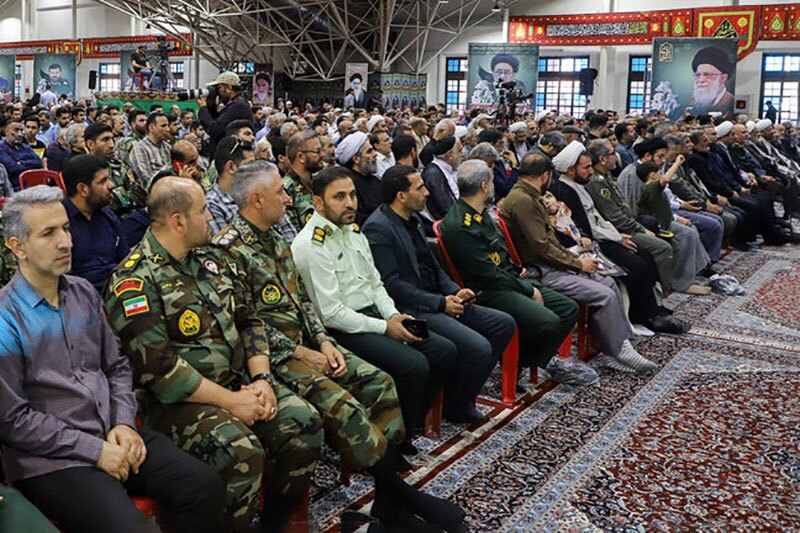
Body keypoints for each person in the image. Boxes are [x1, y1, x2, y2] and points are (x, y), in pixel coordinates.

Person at [213, 161, 467, 531]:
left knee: (380, 384)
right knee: (345, 408)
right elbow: (244, 323)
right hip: (273, 356)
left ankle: (388, 500)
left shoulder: (274, 239)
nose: (288, 198)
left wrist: (322, 340)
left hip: (309, 343)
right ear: (256, 199)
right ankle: (402, 496)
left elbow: (302, 303)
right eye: (280, 193)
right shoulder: (228, 251)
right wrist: (302, 351)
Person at [0, 185, 225, 533]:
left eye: (66, 228)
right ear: (18, 247)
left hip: (112, 431)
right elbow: (14, 420)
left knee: (203, 486)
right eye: (48, 233)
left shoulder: (82, 293)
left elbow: (116, 365)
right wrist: (95, 450)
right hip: (53, 459)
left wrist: (122, 423)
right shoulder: (6, 318)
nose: (66, 242)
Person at [103, 176, 323, 532]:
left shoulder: (211, 258)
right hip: (176, 404)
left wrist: (262, 379)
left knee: (303, 422)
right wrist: (232, 402)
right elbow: (161, 371)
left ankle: (273, 523)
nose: (210, 217)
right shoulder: (135, 281)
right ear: (178, 221)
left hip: (239, 382)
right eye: (203, 210)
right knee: (241, 451)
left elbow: (250, 320)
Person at [291, 166, 458, 447]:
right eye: (339, 197)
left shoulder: (353, 231)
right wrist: (385, 327)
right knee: (413, 365)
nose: (350, 203)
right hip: (343, 330)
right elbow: (331, 314)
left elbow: (376, 284)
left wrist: (393, 316)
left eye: (353, 195)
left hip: (376, 316)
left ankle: (411, 421)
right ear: (318, 202)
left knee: (443, 350)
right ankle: (394, 440)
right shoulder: (312, 245)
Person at [363, 165, 516, 420]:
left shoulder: (412, 219)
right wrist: (440, 303)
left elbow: (433, 267)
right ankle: (455, 405)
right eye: (420, 188)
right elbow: (393, 286)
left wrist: (455, 290)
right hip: (412, 308)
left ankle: (460, 392)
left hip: (437, 298)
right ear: (401, 196)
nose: (427, 193)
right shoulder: (379, 228)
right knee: (478, 347)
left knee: (503, 324)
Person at [438, 160, 594, 385]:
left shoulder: (479, 213)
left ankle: (525, 359)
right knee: (548, 322)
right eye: (492, 181)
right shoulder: (461, 224)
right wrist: (527, 289)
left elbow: (500, 254)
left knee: (568, 309)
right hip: (487, 290)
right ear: (484, 186)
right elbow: (487, 274)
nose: (494, 185)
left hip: (507, 279)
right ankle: (521, 362)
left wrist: (517, 271)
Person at [502, 153, 657, 373]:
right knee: (605, 295)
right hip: (542, 270)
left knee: (608, 282)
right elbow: (542, 247)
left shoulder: (529, 196)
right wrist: (577, 264)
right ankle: (617, 351)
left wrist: (575, 259)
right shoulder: (523, 201)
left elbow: (549, 242)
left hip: (552, 262)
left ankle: (618, 345)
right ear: (545, 176)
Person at [549, 141, 688, 334]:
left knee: (645, 256)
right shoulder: (565, 189)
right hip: (591, 243)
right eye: (586, 168)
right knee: (635, 266)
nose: (591, 171)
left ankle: (652, 310)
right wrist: (616, 238)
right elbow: (587, 227)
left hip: (605, 235)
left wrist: (617, 235)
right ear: (571, 170)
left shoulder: (579, 185)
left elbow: (597, 218)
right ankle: (641, 317)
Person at [60, 155, 129, 292]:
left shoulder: (109, 218)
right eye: (103, 181)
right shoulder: (59, 223)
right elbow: (64, 282)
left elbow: (125, 263)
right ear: (83, 189)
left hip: (116, 290)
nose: (112, 185)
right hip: (80, 296)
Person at [207, 136, 255, 234]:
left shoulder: (255, 190)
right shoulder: (212, 205)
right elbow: (226, 243)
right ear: (231, 167)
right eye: (250, 165)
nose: (256, 170)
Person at [198, 72, 255, 154]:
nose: (217, 92)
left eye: (219, 88)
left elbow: (215, 130)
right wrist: (211, 104)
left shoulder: (238, 106)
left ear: (229, 88)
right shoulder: (237, 103)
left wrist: (203, 108)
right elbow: (216, 121)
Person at [334, 131, 382, 225]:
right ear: (356, 159)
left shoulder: (374, 179)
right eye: (369, 151)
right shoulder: (349, 185)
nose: (375, 154)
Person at [282, 132, 323, 230]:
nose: (322, 155)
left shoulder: (319, 181)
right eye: (317, 151)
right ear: (301, 157)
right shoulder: (286, 189)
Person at [422, 136, 462, 221]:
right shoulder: (433, 174)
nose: (462, 154)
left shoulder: (452, 167)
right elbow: (446, 208)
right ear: (450, 155)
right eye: (460, 151)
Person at [688, 46, 735, 117]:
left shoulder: (732, 103)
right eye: (698, 75)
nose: (701, 80)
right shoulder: (691, 102)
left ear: (723, 78)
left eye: (707, 75)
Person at [129, 112, 171, 187]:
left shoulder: (168, 147)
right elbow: (145, 177)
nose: (168, 129)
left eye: (168, 125)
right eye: (163, 126)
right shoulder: (139, 148)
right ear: (151, 127)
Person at [0, 117, 43, 191]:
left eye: (21, 130)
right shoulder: (1, 149)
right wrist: (29, 163)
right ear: (6, 131)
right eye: (16, 130)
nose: (20, 134)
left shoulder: (25, 147)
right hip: (15, 188)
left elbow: (38, 162)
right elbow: (13, 168)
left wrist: (21, 162)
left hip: (32, 186)